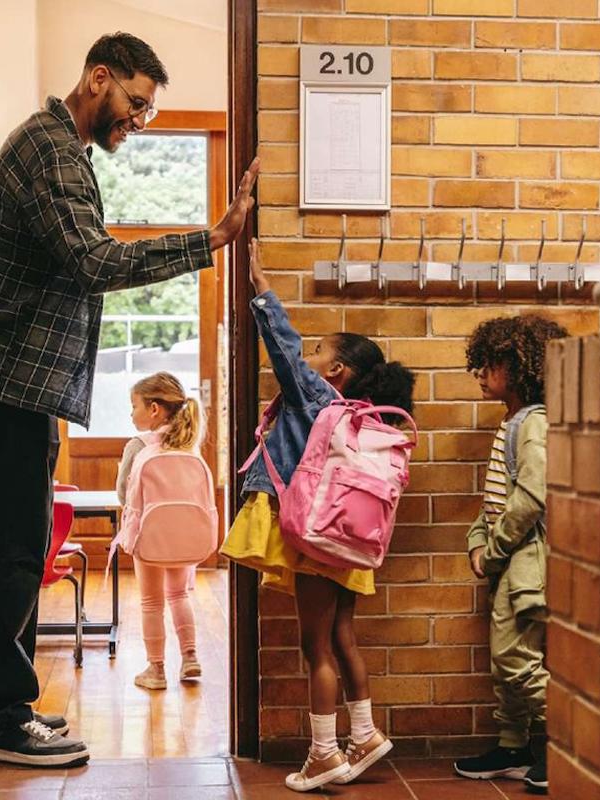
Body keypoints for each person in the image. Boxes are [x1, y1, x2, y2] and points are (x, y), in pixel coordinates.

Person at [0, 31, 259, 768]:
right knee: (17, 546)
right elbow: (93, 261)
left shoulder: (65, 150)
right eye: (135, 104)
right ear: (98, 78)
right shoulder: (51, 151)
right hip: (5, 376)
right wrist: (210, 239)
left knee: (17, 542)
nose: (138, 121)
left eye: (147, 112)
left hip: (20, 379)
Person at [221, 242, 416, 792]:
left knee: (316, 647)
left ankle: (324, 755)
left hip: (318, 535)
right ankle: (365, 734)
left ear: (337, 370)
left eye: (317, 353)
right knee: (343, 635)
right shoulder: (366, 419)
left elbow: (282, 347)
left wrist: (261, 287)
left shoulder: (319, 399)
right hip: (351, 538)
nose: (306, 359)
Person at [450, 315, 569, 796]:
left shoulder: (534, 422)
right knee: (505, 664)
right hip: (509, 557)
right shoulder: (514, 421)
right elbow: (495, 500)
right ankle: (514, 746)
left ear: (521, 368)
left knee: (514, 657)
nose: (480, 373)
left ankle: (571, 743)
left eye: (491, 363)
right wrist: (477, 540)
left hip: (526, 560)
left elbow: (532, 496)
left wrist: (495, 550)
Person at [114, 372, 215, 691]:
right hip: (185, 536)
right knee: (179, 594)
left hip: (148, 537)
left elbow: (123, 493)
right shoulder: (188, 444)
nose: (132, 413)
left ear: (154, 409)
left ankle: (156, 669)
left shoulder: (137, 446)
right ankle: (190, 656)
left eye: (134, 406)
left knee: (151, 602)